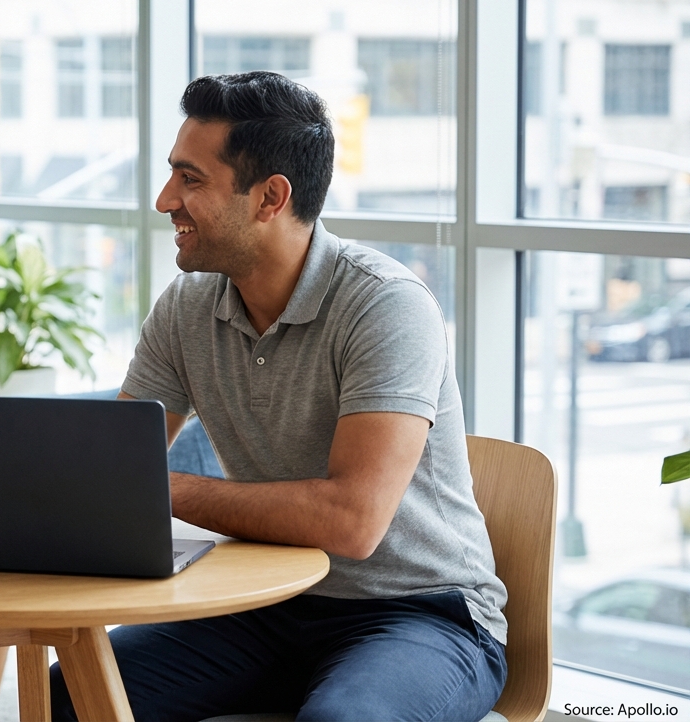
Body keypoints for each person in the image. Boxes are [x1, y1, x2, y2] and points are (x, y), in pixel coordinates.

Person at [51, 72, 509, 721]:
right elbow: (117, 463)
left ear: (270, 197)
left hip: (420, 614)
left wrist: (160, 488)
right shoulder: (187, 306)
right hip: (267, 604)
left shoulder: (385, 305)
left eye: (190, 179)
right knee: (67, 695)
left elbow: (352, 522)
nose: (163, 200)